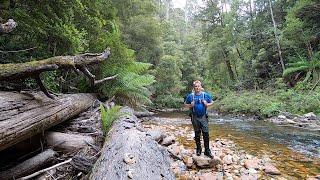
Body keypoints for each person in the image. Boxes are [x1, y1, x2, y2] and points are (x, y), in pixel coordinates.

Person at [184, 80, 214, 158]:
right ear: (194, 88)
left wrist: (206, 104)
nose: (197, 88)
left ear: (201, 87)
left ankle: (207, 150)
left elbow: (212, 102)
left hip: (204, 116)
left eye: (198, 86)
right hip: (194, 117)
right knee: (197, 133)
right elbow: (185, 104)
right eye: (195, 86)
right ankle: (198, 149)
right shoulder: (190, 96)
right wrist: (191, 105)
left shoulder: (205, 95)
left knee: (206, 133)